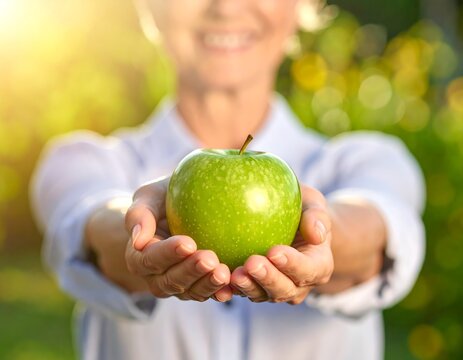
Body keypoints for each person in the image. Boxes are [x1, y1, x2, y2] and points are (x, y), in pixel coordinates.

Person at [30, 1, 425, 359]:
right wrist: (140, 230)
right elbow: (90, 228)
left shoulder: (367, 160)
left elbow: (377, 230)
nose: (227, 5)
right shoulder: (82, 160)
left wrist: (319, 234)